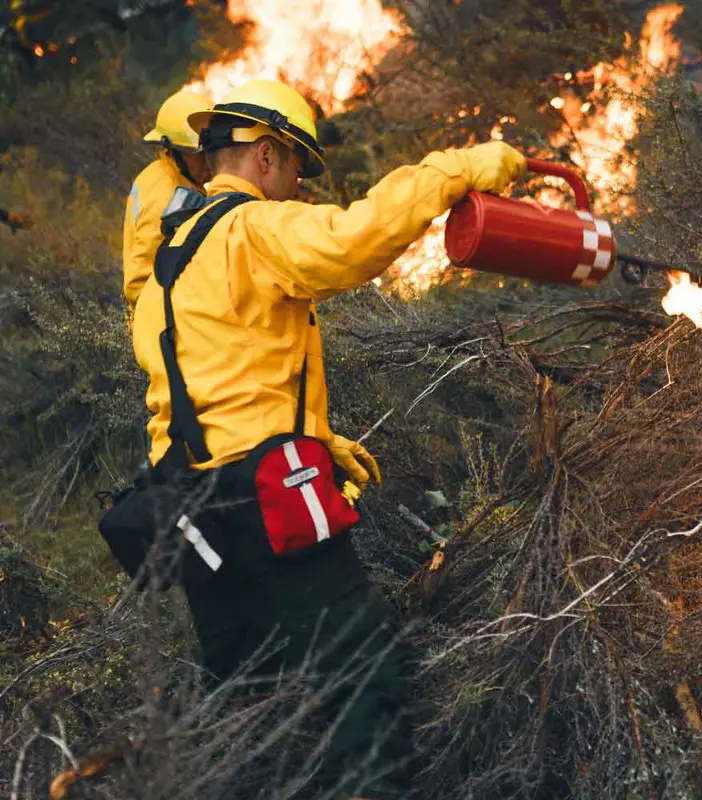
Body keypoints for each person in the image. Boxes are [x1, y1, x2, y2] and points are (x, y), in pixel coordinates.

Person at [130, 78, 525, 798]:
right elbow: (354, 240)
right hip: (264, 497)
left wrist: (311, 435)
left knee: (245, 702)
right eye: (301, 169)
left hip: (189, 506)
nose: (301, 187)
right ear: (269, 155)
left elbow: (203, 376)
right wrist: (459, 169)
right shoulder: (251, 229)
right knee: (363, 675)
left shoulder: (170, 255)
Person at [122, 88, 212, 318]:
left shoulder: (162, 174)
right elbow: (138, 284)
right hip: (159, 332)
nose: (209, 161)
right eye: (200, 154)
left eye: (212, 151)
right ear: (177, 151)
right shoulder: (167, 194)